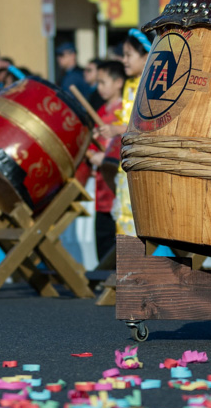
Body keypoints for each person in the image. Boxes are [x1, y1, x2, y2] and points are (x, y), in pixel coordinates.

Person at [108, 30, 151, 238]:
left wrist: (118, 129)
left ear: (146, 57)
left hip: (144, 163)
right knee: (125, 219)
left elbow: (148, 125)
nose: (123, 60)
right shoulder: (130, 85)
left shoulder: (152, 85)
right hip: (127, 160)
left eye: (129, 55)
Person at [85, 60, 127, 260]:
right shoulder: (100, 111)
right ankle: (104, 279)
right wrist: (93, 155)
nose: (99, 87)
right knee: (102, 236)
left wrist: (107, 157)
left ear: (119, 82)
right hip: (102, 186)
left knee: (118, 237)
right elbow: (91, 148)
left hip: (119, 188)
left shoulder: (125, 111)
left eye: (103, 82)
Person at [57, 43, 98, 108]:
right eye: (58, 55)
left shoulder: (77, 75)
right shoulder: (66, 75)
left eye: (62, 55)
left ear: (72, 55)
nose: (59, 58)